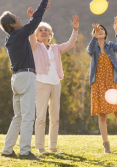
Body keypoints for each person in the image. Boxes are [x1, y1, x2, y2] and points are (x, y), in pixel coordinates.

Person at [0, 0, 52, 160]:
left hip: (16, 79)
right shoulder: (19, 34)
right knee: (29, 116)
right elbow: (35, 20)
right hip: (26, 76)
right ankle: (25, 152)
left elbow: (32, 23)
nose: (20, 18)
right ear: (12, 24)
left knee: (19, 117)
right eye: (16, 17)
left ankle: (7, 150)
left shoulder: (11, 38)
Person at [27, 8, 79, 154]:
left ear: (50, 35)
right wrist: (32, 22)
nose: (43, 31)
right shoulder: (35, 46)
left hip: (56, 83)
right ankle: (40, 147)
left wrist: (75, 30)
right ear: (37, 35)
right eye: (40, 30)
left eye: (46, 30)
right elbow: (30, 36)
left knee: (55, 117)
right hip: (41, 83)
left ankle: (53, 147)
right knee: (41, 116)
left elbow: (70, 44)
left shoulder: (56, 48)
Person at [86, 17, 117, 154]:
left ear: (106, 33)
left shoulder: (111, 46)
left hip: (112, 82)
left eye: (102, 29)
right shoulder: (93, 47)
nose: (100, 31)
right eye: (97, 30)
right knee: (102, 115)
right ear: (93, 34)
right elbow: (90, 49)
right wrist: (94, 36)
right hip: (98, 83)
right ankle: (106, 146)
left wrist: (116, 30)